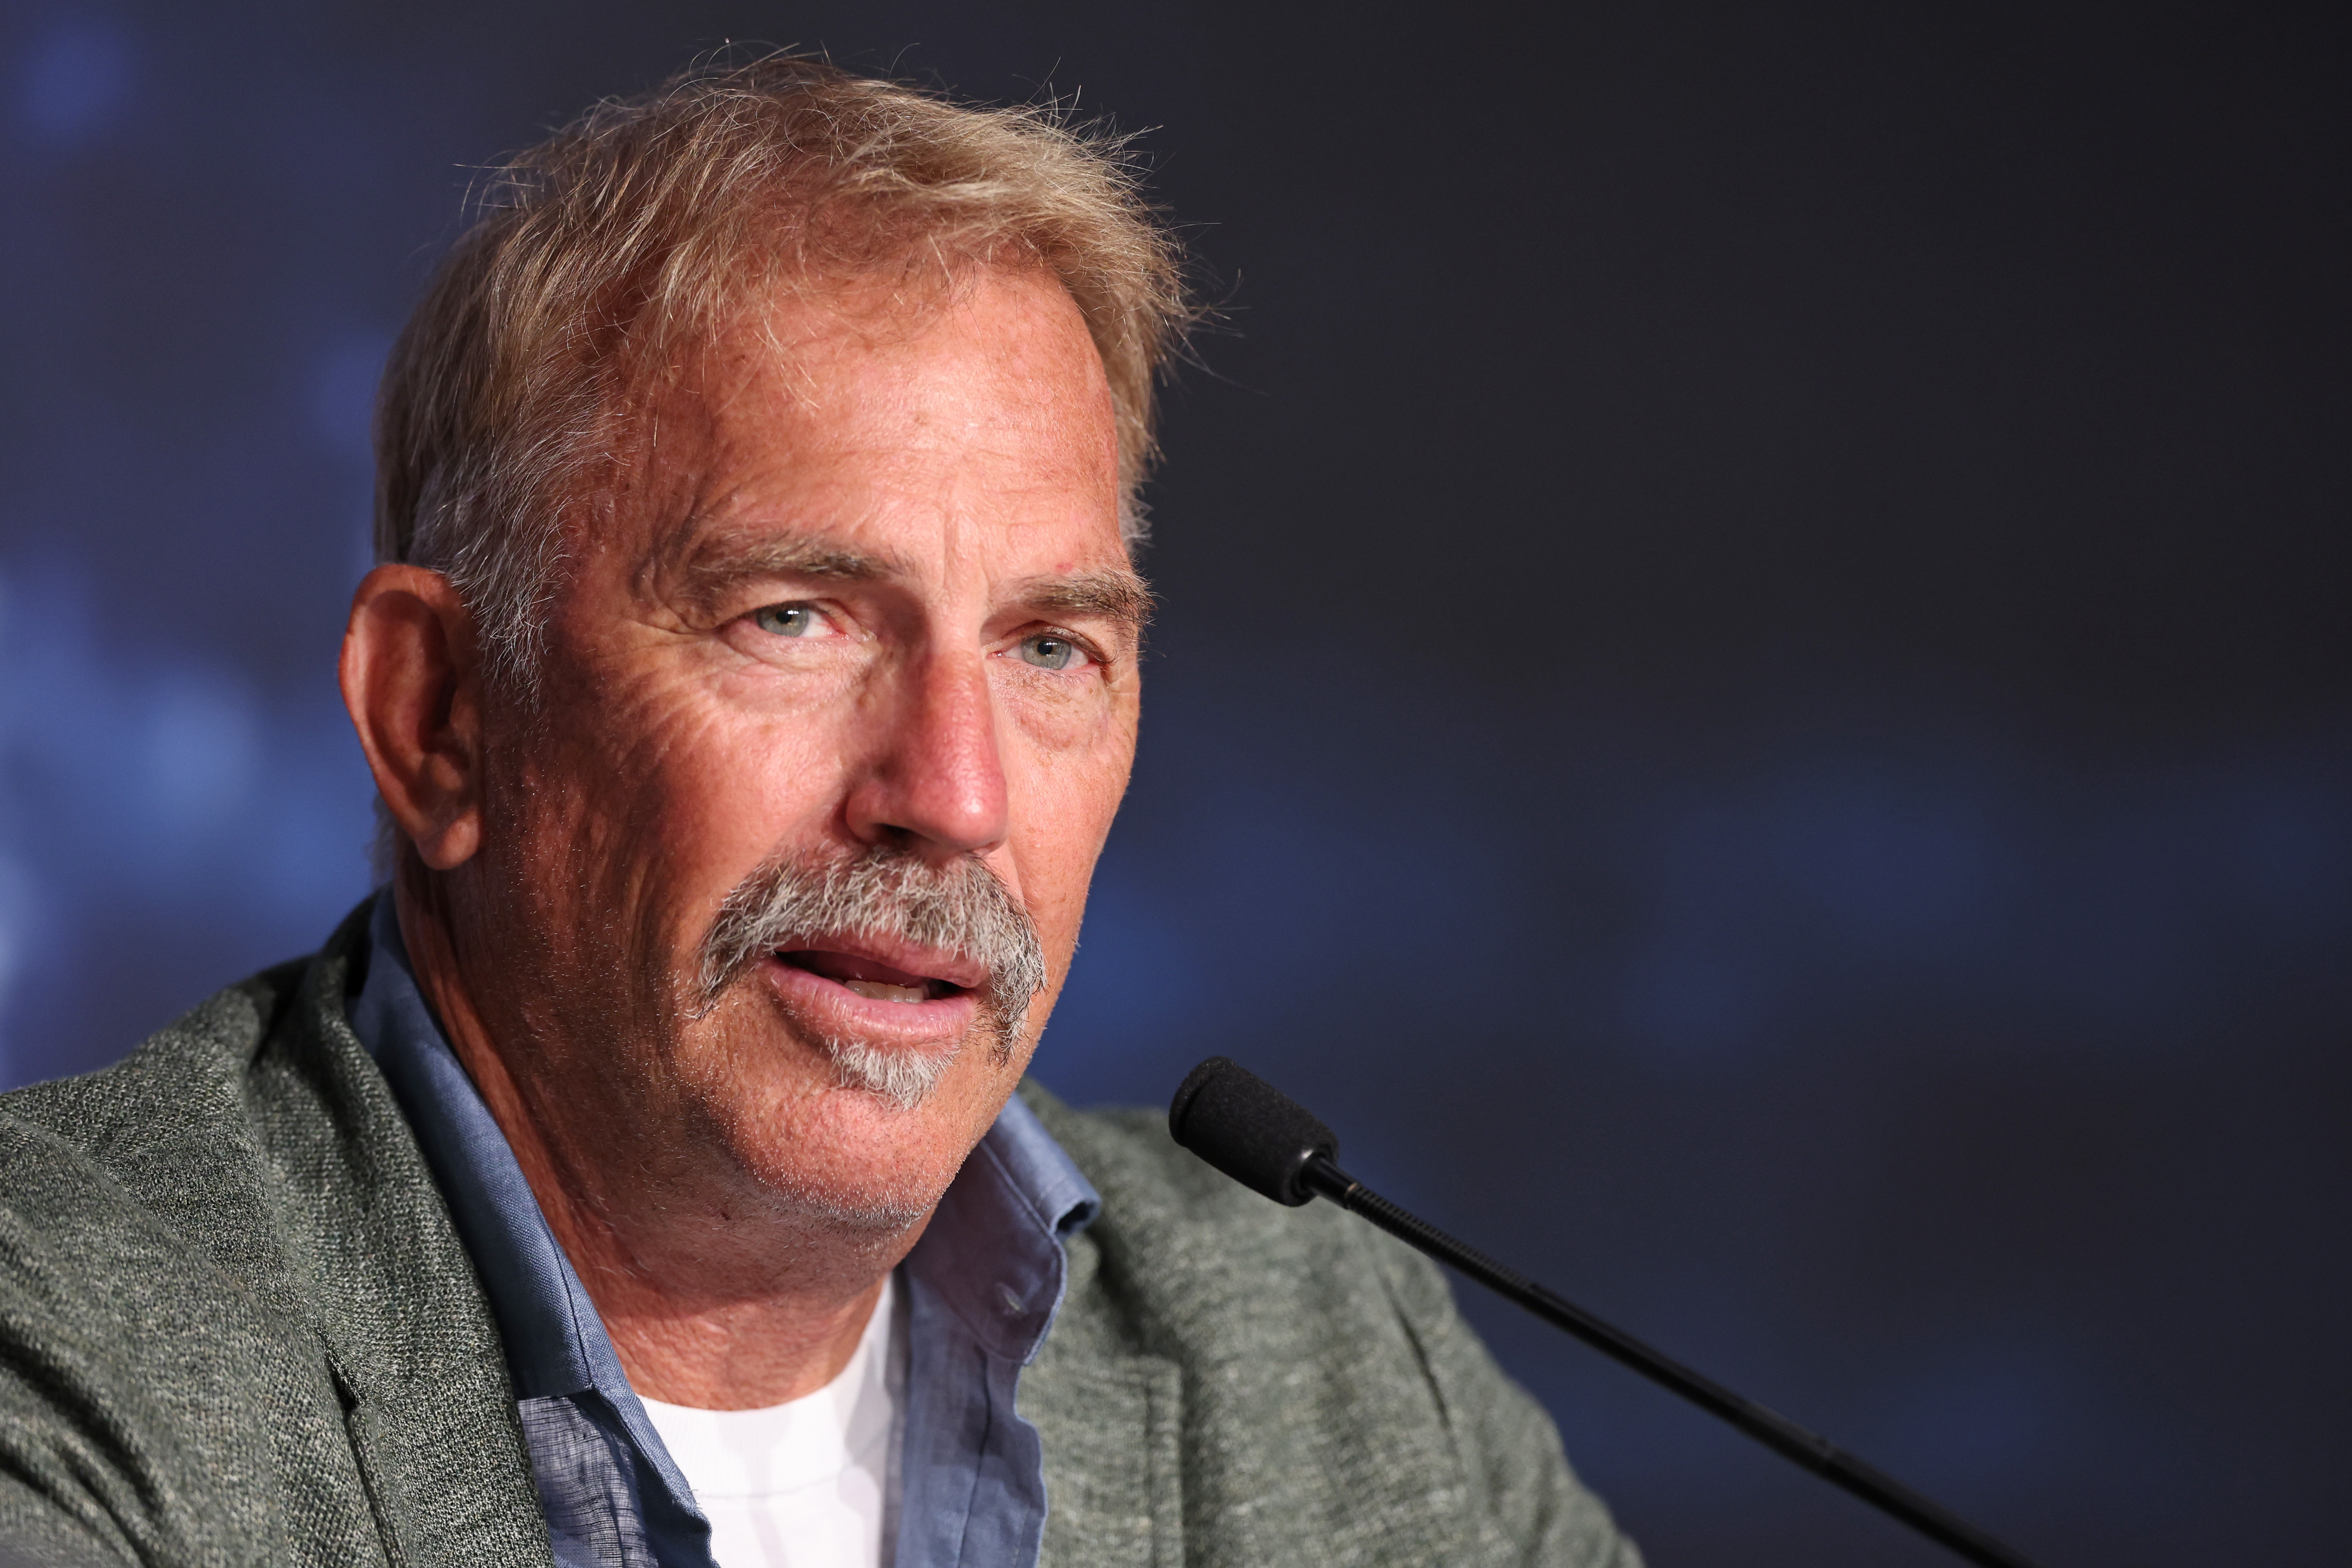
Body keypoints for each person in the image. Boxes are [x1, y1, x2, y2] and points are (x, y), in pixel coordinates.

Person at [0, 58, 1641, 1568]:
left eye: (1050, 646)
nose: (955, 795)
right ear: (439, 721)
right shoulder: (69, 1344)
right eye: (792, 617)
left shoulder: (1334, 1354)